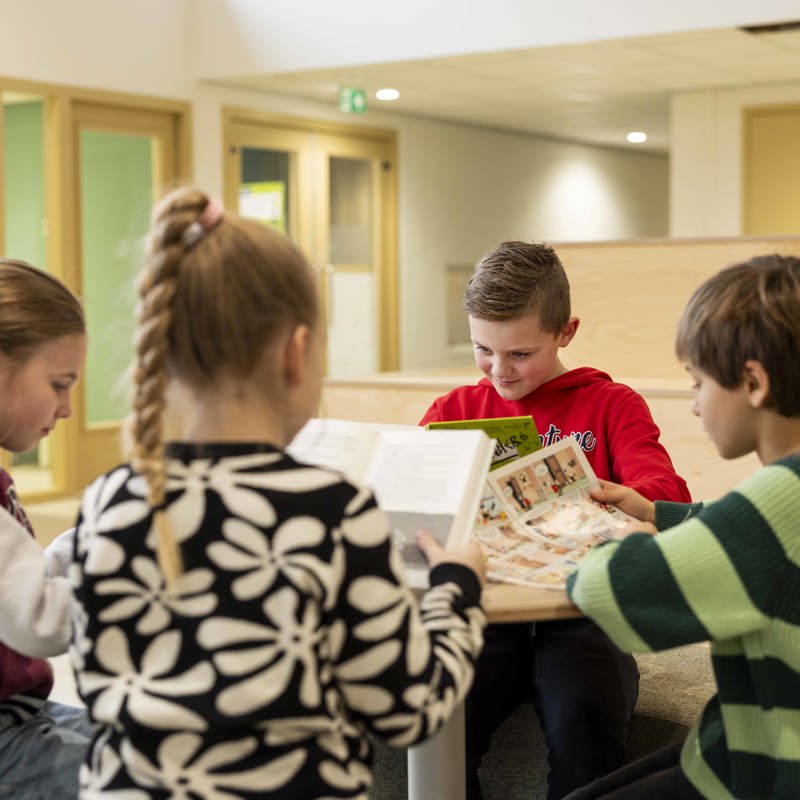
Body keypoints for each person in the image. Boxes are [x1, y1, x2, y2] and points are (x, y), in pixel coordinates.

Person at [69, 186, 487, 799]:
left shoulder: (107, 501)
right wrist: (457, 590)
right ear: (296, 352)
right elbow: (408, 709)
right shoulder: (330, 510)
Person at [419, 240, 691, 799]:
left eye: (520, 354)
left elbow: (665, 492)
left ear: (566, 332)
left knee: (585, 719)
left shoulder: (612, 404)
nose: (500, 371)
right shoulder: (456, 411)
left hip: (582, 611)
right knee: (444, 712)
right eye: (482, 349)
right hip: (489, 612)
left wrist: (609, 498)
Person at [564, 253, 800, 800]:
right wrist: (657, 515)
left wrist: (624, 540)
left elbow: (607, 590)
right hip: (747, 737)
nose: (694, 407)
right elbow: (750, 537)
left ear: (753, 382)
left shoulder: (780, 497)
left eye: (697, 384)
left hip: (766, 770)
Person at [0, 257, 92, 799]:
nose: (68, 408)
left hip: (22, 713)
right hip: (6, 738)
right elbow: (38, 621)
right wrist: (129, 579)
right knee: (157, 777)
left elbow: (15, 580)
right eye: (58, 384)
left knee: (158, 742)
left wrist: (85, 547)